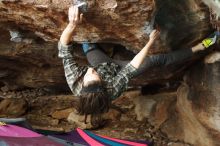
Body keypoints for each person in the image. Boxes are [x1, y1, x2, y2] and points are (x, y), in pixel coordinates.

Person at [58, 6, 220, 126]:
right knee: (156, 60)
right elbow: (134, 66)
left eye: (89, 75)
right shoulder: (113, 89)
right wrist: (150, 42)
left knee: (88, 42)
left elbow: (64, 48)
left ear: (83, 84)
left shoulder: (74, 81)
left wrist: (72, 24)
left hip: (101, 63)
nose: (90, 71)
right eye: (96, 76)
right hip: (119, 69)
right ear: (102, 85)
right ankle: (202, 46)